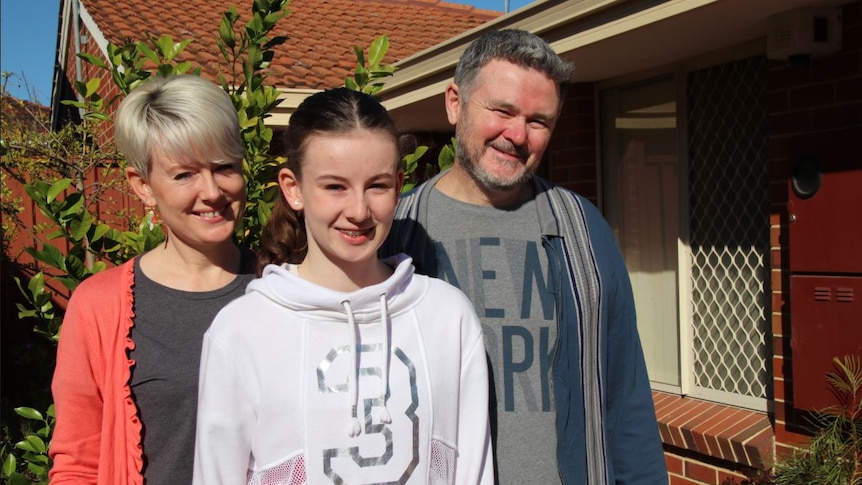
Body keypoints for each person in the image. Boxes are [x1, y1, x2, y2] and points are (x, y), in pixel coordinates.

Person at [381, 29, 667, 484]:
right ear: (455, 103)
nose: (517, 134)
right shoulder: (395, 234)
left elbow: (625, 396)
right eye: (502, 110)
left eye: (539, 121)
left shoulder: (585, 233)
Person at [192, 87, 493, 484]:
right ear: (293, 188)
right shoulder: (242, 331)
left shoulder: (448, 317)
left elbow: (472, 471)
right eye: (334, 186)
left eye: (378, 186)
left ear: (400, 183)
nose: (358, 211)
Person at [49, 75, 255, 485]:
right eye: (184, 175)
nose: (212, 191)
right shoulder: (98, 306)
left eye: (224, 167)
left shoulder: (285, 288)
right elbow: (77, 463)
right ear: (142, 186)